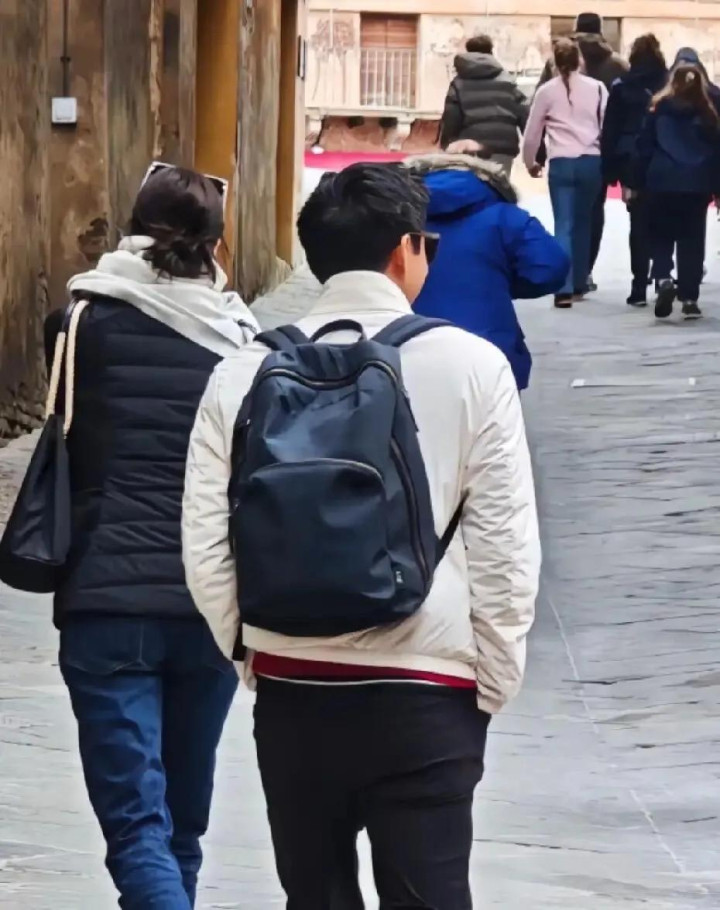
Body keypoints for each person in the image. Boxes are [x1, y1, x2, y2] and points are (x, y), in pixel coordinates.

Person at [183, 163, 540, 909]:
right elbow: (505, 545)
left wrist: (251, 651)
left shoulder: (243, 370)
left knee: (314, 896)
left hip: (293, 685)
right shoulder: (474, 366)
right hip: (427, 689)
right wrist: (491, 677)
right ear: (406, 248)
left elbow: (206, 543)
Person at [49, 166, 258, 909]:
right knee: (181, 828)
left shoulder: (79, 323)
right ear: (218, 244)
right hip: (209, 604)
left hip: (104, 599)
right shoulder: (244, 343)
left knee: (138, 826)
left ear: (132, 227)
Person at [407, 150, 569, 389]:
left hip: (407, 345)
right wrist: (502, 282)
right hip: (489, 346)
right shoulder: (504, 215)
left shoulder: (392, 213)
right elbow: (550, 267)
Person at [537, 14, 628, 290]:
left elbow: (538, 109)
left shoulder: (555, 63)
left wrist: (538, 152)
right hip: (597, 153)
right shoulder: (617, 65)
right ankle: (583, 272)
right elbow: (622, 113)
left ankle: (565, 280)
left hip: (562, 153)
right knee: (591, 214)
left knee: (564, 220)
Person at [630, 64, 720, 319]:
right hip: (696, 183)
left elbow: (644, 146)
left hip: (662, 180)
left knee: (661, 234)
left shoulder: (658, 108)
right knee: (692, 239)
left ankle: (663, 278)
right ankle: (690, 297)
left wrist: (636, 181)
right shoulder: (708, 113)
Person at [524, 38, 607, 308]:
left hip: (561, 162)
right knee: (584, 223)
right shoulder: (597, 88)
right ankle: (580, 283)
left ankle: (563, 287)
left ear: (555, 62)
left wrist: (530, 161)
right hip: (591, 161)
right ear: (579, 60)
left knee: (564, 224)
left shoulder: (546, 92)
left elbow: (532, 133)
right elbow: (607, 126)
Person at [601, 34, 668, 306]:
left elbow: (611, 129)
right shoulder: (667, 84)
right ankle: (662, 276)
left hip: (631, 159)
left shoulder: (622, 86)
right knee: (663, 221)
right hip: (663, 157)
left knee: (638, 223)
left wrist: (609, 169)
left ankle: (639, 286)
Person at [440, 34, 530, 176]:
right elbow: (524, 113)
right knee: (498, 187)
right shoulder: (507, 81)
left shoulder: (458, 83)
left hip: (469, 148)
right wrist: (535, 150)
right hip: (502, 147)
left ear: (468, 51)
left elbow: (451, 116)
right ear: (491, 51)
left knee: (472, 186)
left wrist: (447, 143)